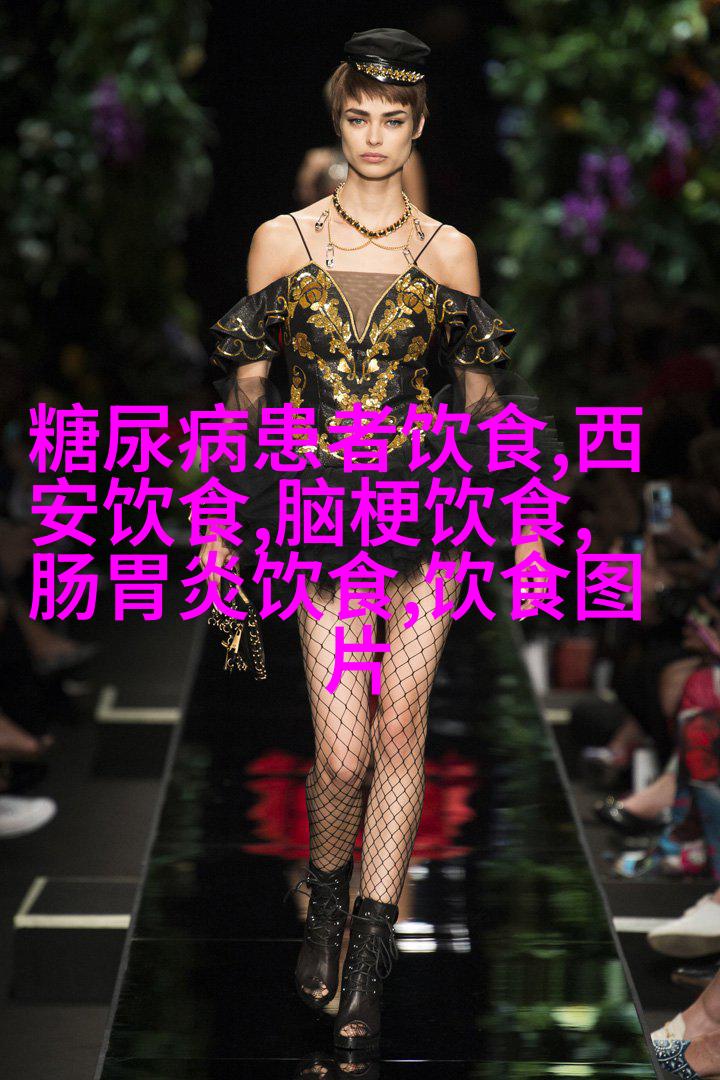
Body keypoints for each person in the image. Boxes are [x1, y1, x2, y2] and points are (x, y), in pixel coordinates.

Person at [199, 27, 565, 1054]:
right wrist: (219, 536)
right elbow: (243, 404)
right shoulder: (281, 241)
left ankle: (367, 956)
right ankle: (324, 902)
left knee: (403, 733)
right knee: (341, 751)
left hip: (430, 518)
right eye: (358, 117)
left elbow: (485, 412)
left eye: (392, 120)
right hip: (320, 523)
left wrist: (528, 536)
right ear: (338, 120)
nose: (373, 137)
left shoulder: (449, 252)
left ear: (419, 126)